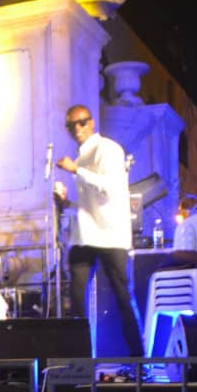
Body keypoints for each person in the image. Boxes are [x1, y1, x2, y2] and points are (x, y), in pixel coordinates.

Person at [54, 104, 144, 356]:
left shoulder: (109, 149)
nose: (77, 129)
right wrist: (66, 203)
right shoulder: (81, 156)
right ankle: (80, 359)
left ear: (92, 123)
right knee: (76, 294)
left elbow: (110, 189)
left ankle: (139, 357)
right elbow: (90, 202)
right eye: (71, 125)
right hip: (86, 235)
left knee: (122, 297)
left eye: (81, 122)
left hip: (111, 234)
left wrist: (76, 170)